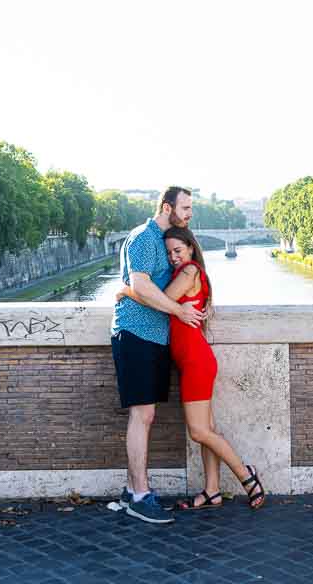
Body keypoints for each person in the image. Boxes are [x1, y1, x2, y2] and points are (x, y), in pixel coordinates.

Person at [117, 225, 266, 512]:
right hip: (192, 361)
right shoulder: (187, 271)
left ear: (190, 249)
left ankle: (248, 477)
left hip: (196, 362)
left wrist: (127, 289)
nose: (173, 257)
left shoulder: (188, 272)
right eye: (169, 252)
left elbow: (160, 301)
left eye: (178, 250)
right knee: (207, 428)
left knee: (199, 432)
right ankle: (212, 492)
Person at [111, 186, 206, 525]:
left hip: (152, 338)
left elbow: (144, 289)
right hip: (136, 335)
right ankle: (140, 494)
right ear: (167, 207)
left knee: (145, 415)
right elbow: (141, 285)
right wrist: (178, 312)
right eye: (186, 207)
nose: (190, 213)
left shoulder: (163, 243)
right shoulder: (142, 238)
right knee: (143, 415)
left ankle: (129, 490)